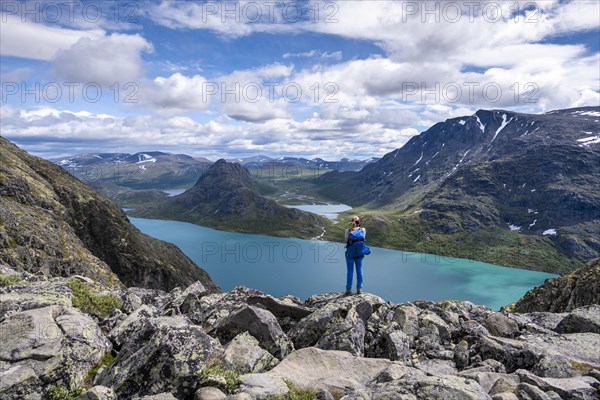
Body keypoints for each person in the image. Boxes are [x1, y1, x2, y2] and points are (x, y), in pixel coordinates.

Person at [344, 215, 366, 295]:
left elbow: (346, 240)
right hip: (359, 253)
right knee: (359, 270)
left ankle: (348, 290)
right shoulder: (362, 230)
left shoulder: (347, 230)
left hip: (350, 253)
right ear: (359, 222)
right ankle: (359, 289)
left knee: (350, 271)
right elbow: (364, 238)